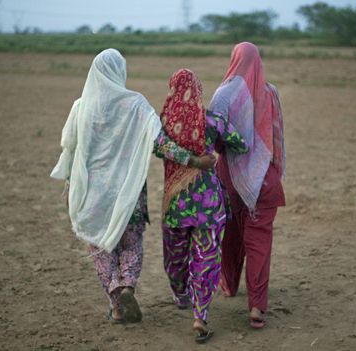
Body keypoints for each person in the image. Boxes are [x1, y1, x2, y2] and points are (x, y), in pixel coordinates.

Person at [49, 49, 214, 324]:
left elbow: (70, 150)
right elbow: (160, 144)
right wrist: (194, 160)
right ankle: (128, 286)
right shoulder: (136, 105)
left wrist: (69, 186)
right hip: (129, 194)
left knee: (101, 250)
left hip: (92, 194)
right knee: (131, 244)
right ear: (120, 72)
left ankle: (116, 305)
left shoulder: (81, 107)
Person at [159, 69, 248, 343]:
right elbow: (241, 144)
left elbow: (160, 147)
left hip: (176, 204)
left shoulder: (163, 122)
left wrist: (186, 158)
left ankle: (180, 292)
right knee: (206, 259)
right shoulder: (212, 120)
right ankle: (201, 316)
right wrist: (212, 149)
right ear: (198, 90)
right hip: (209, 205)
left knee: (175, 257)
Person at [208, 42, 286, 329]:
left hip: (231, 179)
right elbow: (276, 137)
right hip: (265, 179)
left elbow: (215, 140)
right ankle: (256, 307)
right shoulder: (271, 92)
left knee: (230, 235)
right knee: (259, 243)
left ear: (234, 59)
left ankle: (228, 286)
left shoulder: (224, 94)